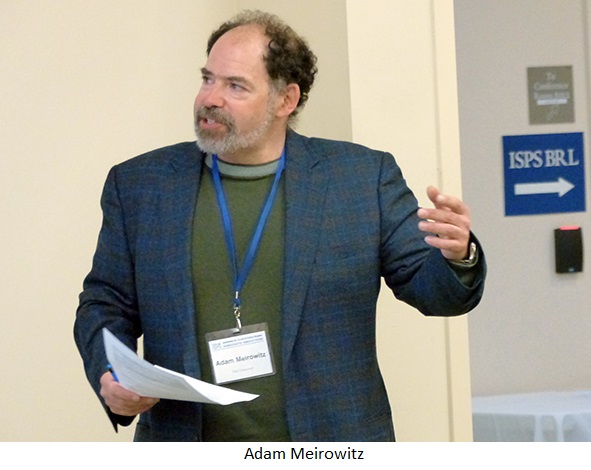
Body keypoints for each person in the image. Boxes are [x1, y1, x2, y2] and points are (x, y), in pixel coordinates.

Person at [74, 10, 486, 442]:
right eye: (207, 79)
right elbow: (105, 302)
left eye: (235, 86)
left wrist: (458, 256)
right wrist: (110, 371)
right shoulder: (142, 184)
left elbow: (432, 291)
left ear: (285, 100)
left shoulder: (360, 179)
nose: (210, 98)